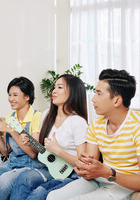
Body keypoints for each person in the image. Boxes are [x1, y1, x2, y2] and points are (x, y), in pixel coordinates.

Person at [47, 69, 140, 200]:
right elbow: (90, 162)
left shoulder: (137, 126)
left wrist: (108, 173)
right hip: (99, 179)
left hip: (124, 186)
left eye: (99, 94)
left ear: (117, 100)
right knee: (53, 197)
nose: (93, 99)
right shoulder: (96, 125)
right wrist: (85, 167)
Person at [9, 74, 88, 200]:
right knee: (24, 178)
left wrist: (58, 151)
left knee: (39, 193)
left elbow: (82, 164)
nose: (54, 91)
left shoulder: (77, 122)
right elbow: (40, 150)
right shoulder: (46, 115)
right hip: (49, 167)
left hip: (71, 173)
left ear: (72, 92)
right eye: (54, 87)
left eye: (60, 87)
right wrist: (29, 142)